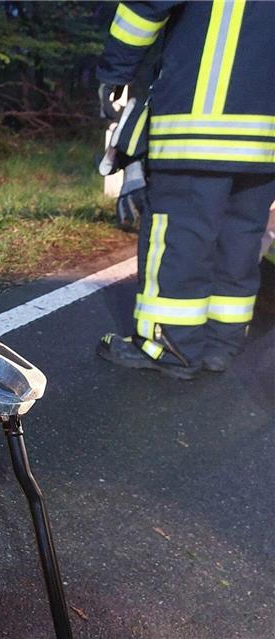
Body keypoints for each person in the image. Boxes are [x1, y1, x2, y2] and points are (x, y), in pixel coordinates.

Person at [94, 0, 275, 380]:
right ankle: (220, 345)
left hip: (197, 126)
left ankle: (169, 346)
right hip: (266, 140)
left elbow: (144, 8)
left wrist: (116, 72)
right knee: (240, 240)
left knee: (180, 238)